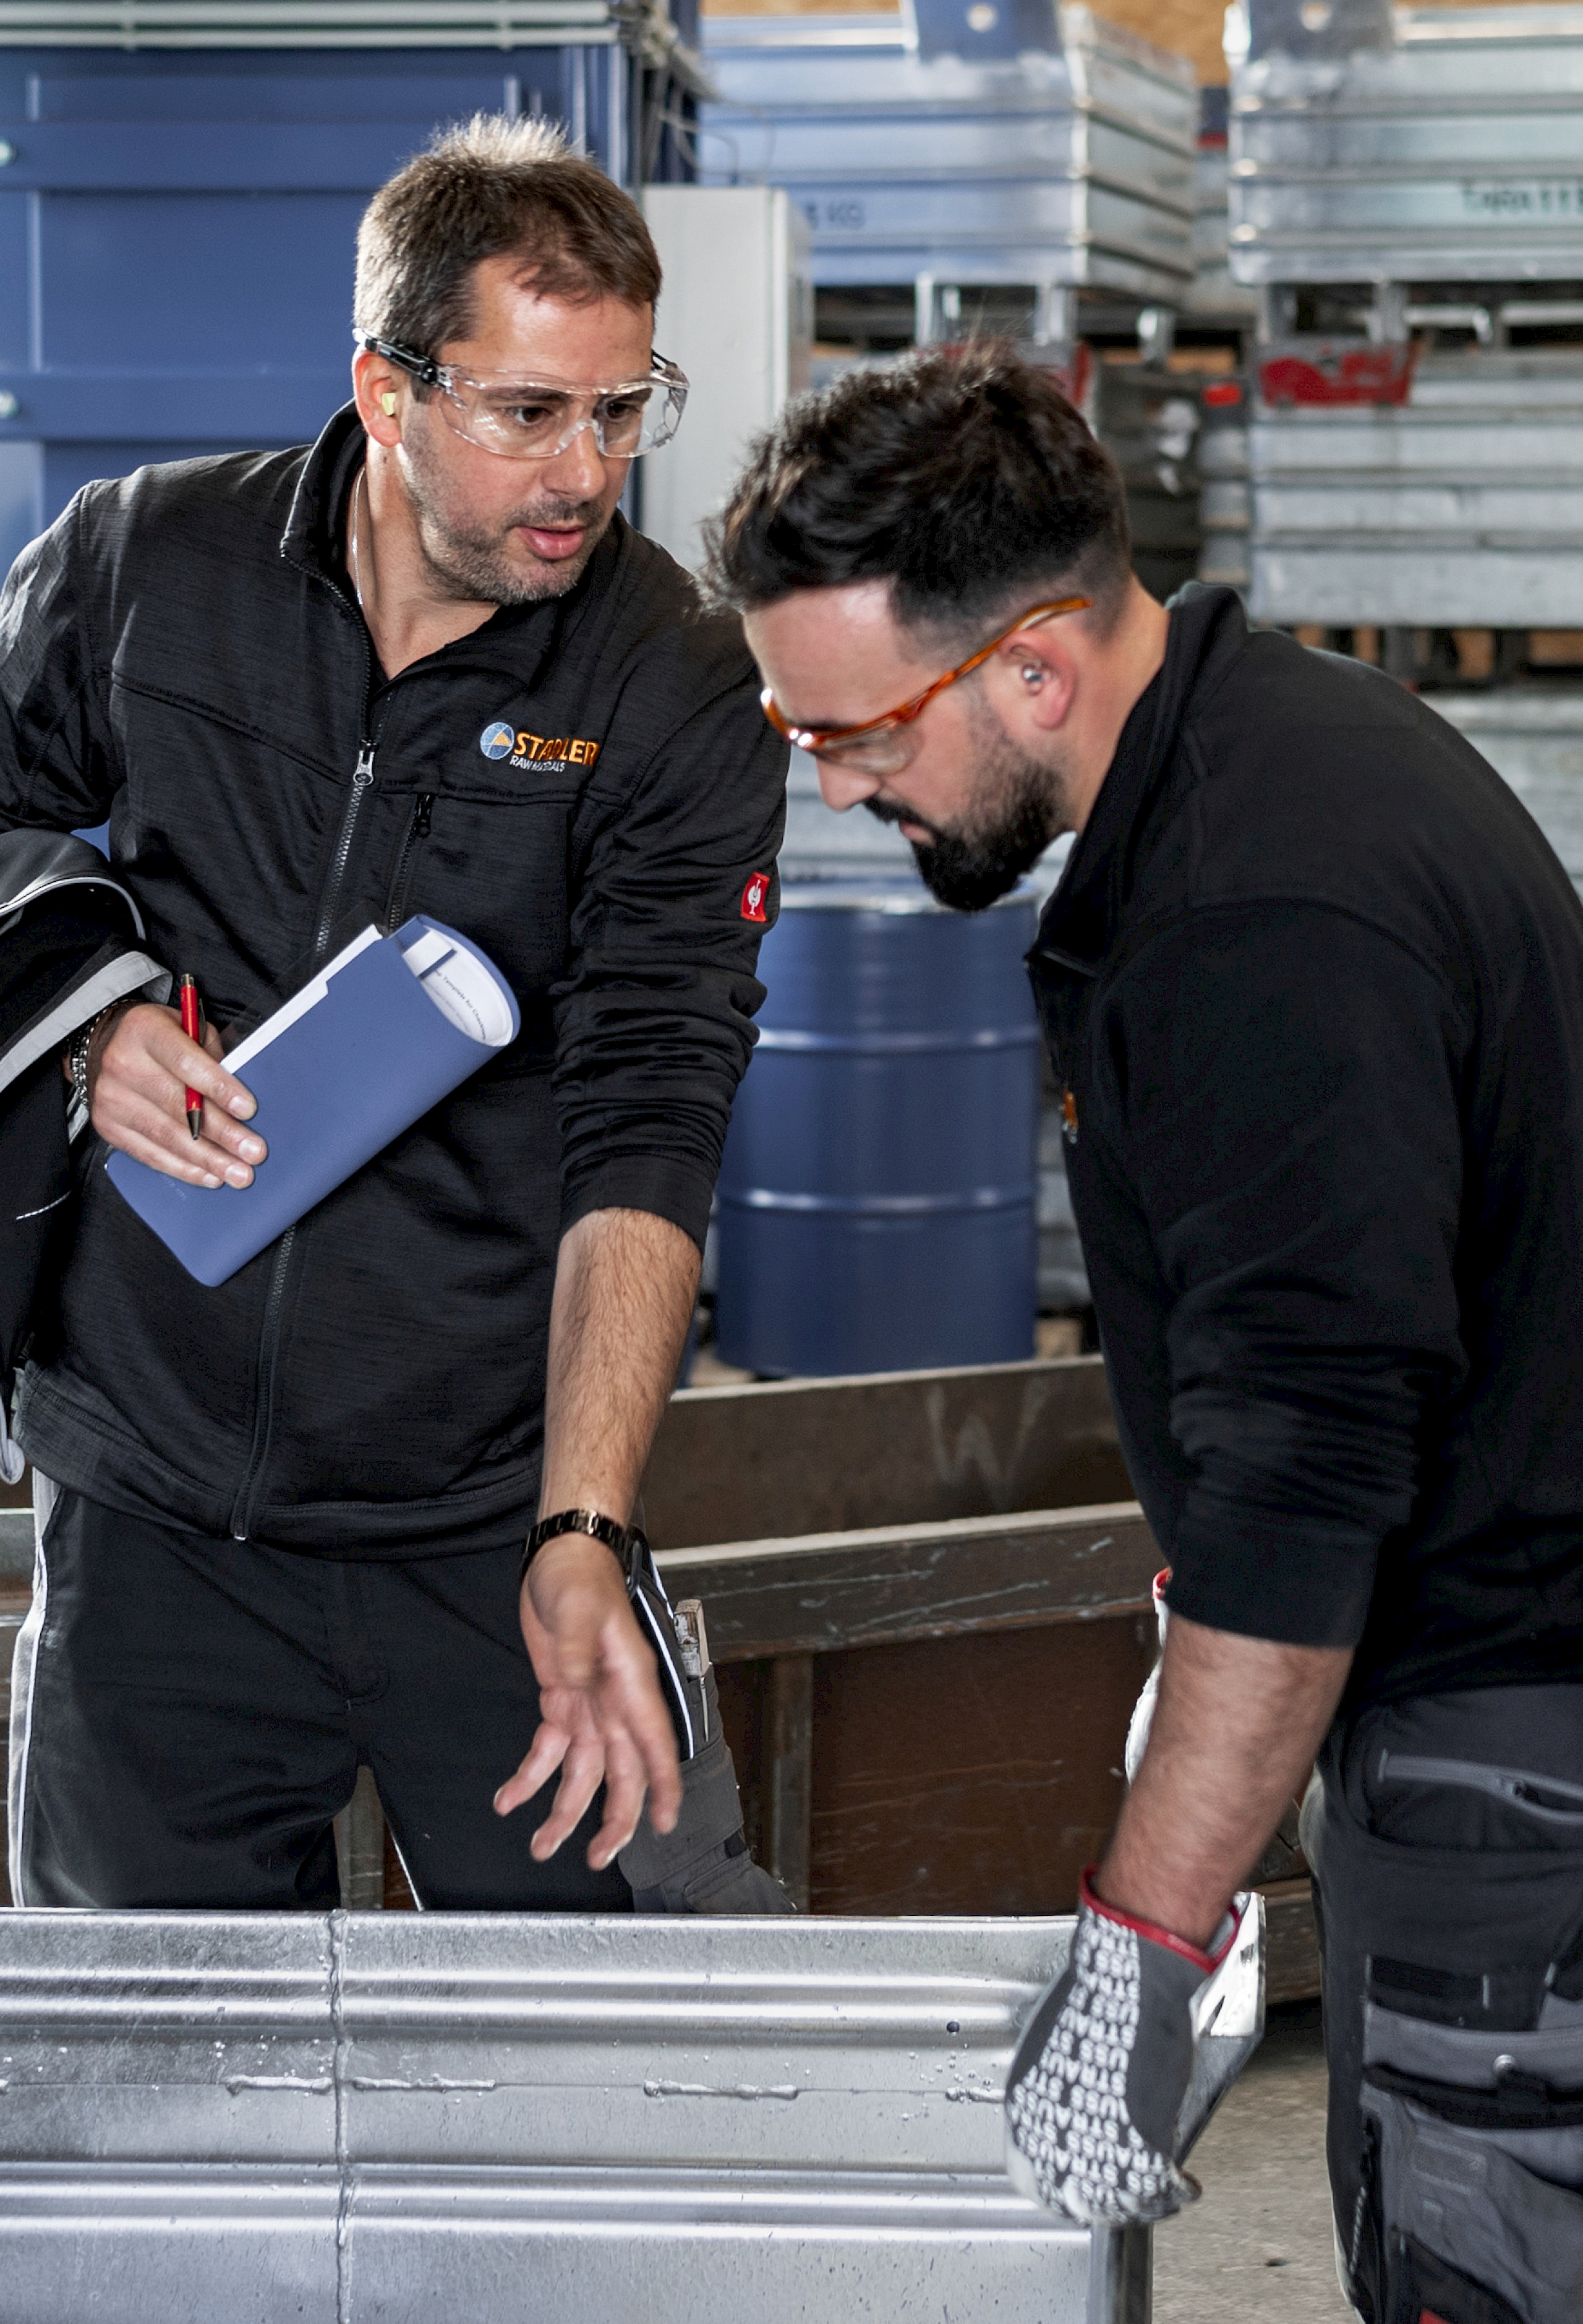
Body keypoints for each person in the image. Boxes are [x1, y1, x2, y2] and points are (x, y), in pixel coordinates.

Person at [709, 342, 1583, 2322]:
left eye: (857, 733)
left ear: (1031, 663)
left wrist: (1147, 1936)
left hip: (1519, 1746)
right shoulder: (1260, 766)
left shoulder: (1260, 911)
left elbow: (1312, 1468)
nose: (838, 787)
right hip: (1468, 1703)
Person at [2, 114, 787, 1915]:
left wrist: (582, 1531)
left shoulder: (667, 681)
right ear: (385, 389)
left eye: (620, 407)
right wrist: (93, 1012)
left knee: (574, 2073)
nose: (584, 472)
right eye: (528, 412)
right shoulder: (145, 566)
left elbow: (654, 1111)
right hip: (151, 1504)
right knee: (155, 2101)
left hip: (481, 1524)